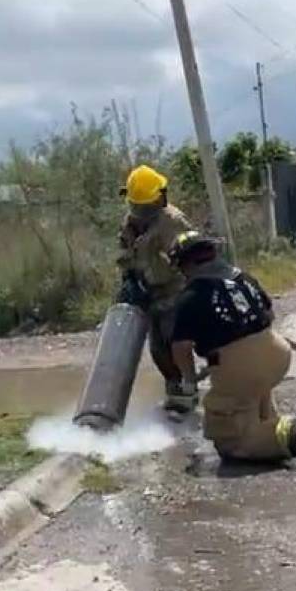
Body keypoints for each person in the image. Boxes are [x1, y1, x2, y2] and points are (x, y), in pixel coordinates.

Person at [167, 231, 296, 470]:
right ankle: (269, 424)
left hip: (242, 369)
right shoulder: (243, 278)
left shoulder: (192, 295)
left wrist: (189, 379)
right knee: (255, 391)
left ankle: (290, 435)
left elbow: (180, 347)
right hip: (277, 353)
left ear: (186, 263)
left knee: (229, 441)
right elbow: (269, 314)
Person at [116, 165, 194, 415]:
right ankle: (174, 389)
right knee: (158, 347)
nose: (140, 212)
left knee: (177, 341)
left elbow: (193, 255)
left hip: (175, 291)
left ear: (160, 198)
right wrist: (129, 279)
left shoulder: (172, 222)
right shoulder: (129, 224)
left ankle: (188, 390)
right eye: (137, 207)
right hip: (148, 293)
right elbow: (124, 254)